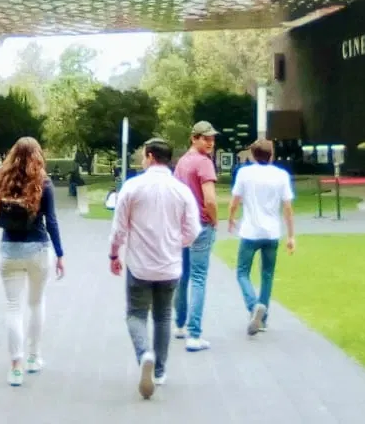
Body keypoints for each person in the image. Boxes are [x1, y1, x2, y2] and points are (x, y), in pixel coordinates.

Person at [109, 138, 200, 400]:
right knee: (163, 316)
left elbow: (119, 228)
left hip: (140, 264)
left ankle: (144, 354)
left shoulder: (133, 187)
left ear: (150, 156)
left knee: (136, 314)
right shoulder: (181, 190)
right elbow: (193, 230)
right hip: (169, 264)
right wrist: (177, 243)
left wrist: (114, 253)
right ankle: (159, 370)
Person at [0, 137, 66, 387]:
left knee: (13, 307)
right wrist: (60, 254)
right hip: (37, 249)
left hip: (9, 249)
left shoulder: (4, 180)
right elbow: (51, 221)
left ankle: (15, 366)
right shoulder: (43, 183)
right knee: (36, 303)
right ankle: (34, 357)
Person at [227, 139, 296, 335]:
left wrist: (231, 218)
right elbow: (287, 208)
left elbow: (235, 200)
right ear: (271, 154)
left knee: (242, 272)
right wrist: (291, 235)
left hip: (250, 231)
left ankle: (253, 305)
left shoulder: (245, 173)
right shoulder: (281, 175)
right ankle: (263, 317)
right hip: (272, 232)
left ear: (252, 155)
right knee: (267, 275)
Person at [173, 120, 219, 352]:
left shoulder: (182, 162)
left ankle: (180, 324)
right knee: (199, 278)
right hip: (201, 224)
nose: (210, 142)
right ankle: (194, 334)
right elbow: (210, 199)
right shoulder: (204, 163)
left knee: (182, 277)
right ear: (194, 138)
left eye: (212, 138)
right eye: (205, 138)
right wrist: (215, 219)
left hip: (182, 225)